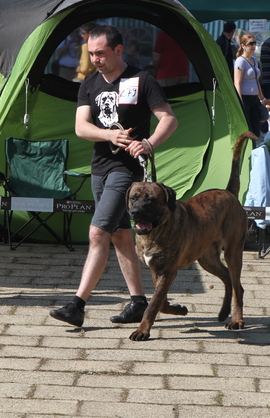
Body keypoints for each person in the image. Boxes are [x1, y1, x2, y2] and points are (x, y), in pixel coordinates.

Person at [49, 25, 178, 328]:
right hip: (100, 167)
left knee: (98, 233)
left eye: (101, 53)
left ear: (118, 50)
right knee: (120, 235)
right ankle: (138, 302)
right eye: (91, 53)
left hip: (127, 171)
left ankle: (77, 305)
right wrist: (108, 135)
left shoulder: (142, 79)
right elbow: (81, 127)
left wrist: (148, 143)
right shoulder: (89, 83)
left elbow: (169, 119)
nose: (95, 59)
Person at [233, 34, 267, 139]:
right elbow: (237, 83)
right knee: (246, 128)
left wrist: (262, 98)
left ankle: (254, 147)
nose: (254, 46)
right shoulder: (240, 61)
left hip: (254, 99)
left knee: (256, 130)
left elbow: (256, 81)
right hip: (245, 98)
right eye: (251, 44)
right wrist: (240, 102)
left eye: (254, 43)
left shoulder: (254, 60)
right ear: (243, 45)